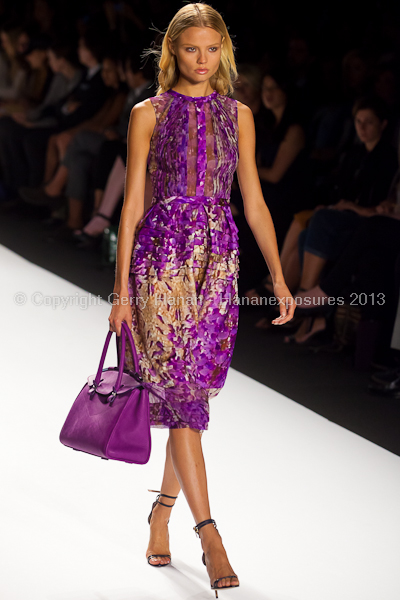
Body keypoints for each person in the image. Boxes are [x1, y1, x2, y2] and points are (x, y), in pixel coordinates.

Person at [107, 2, 295, 595]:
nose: (202, 59)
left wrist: (280, 277)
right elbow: (132, 204)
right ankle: (210, 534)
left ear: (224, 52)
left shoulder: (238, 116)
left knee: (188, 392)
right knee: (183, 397)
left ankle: (161, 511)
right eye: (191, 48)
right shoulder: (147, 113)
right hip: (161, 261)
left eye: (212, 49)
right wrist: (119, 291)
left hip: (218, 265)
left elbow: (254, 201)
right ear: (172, 51)